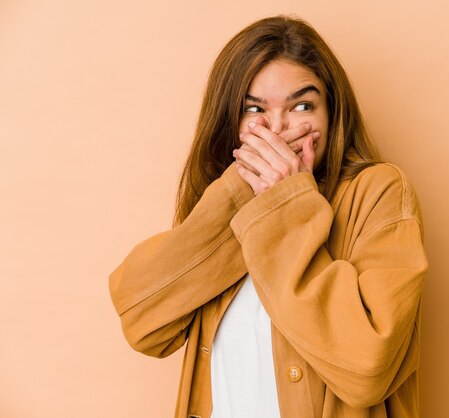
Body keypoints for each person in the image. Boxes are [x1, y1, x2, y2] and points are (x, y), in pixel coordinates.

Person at [109, 14, 428, 418]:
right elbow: (141, 321)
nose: (277, 129)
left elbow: (368, 367)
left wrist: (286, 204)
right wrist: (245, 192)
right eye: (254, 109)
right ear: (231, 122)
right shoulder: (229, 201)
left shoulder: (377, 191)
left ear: (331, 113)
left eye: (301, 105)